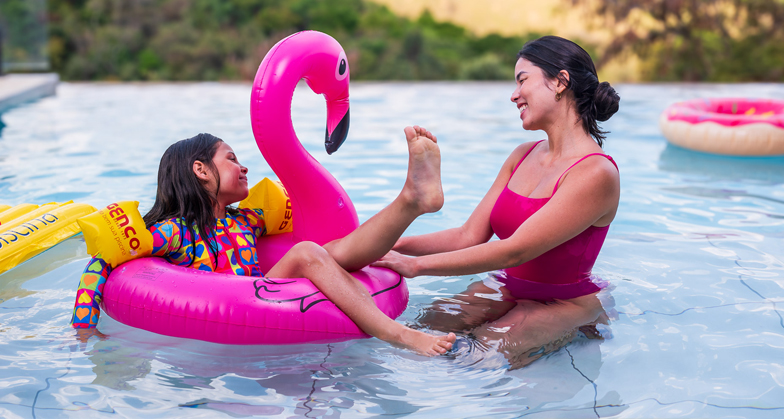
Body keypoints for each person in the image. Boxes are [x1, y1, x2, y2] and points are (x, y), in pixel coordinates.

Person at [71, 128, 456, 356]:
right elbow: (104, 260)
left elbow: (327, 243)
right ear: (201, 171)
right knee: (308, 254)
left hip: (263, 297)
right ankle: (399, 335)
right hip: (221, 317)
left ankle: (411, 201)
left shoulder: (248, 222)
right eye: (231, 159)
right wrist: (84, 328)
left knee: (329, 251)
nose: (244, 167)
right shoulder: (177, 232)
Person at [373, 36, 621, 368]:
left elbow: (516, 249)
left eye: (523, 80)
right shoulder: (522, 156)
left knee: (471, 361)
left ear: (561, 82)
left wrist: (415, 267)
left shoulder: (596, 173)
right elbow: (468, 236)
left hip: (563, 304)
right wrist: (391, 248)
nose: (514, 94)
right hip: (505, 287)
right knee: (414, 334)